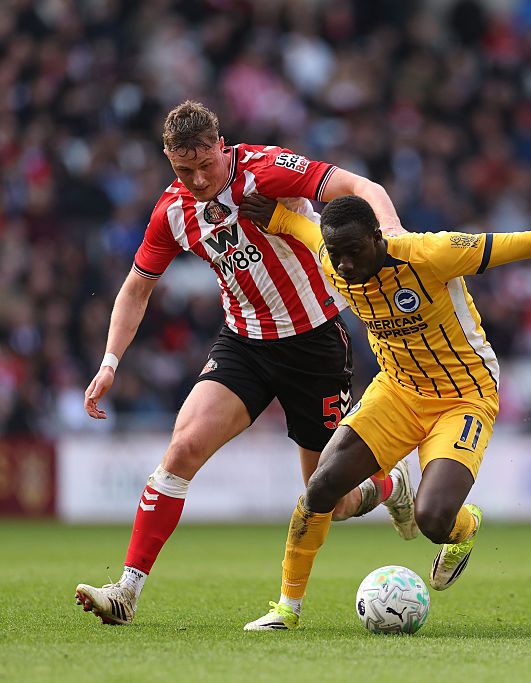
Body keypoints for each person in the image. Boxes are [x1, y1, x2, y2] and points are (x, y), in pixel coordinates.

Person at [238, 193, 531, 630]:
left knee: (433, 519)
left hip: (463, 394)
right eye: (337, 255)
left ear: (378, 237)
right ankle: (286, 610)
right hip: (397, 390)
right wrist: (276, 215)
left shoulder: (433, 254)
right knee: (322, 487)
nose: (345, 264)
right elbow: (304, 230)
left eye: (354, 252)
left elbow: (525, 242)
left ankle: (464, 529)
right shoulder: (332, 254)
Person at [74, 101, 419, 626]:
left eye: (204, 165)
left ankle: (390, 486)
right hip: (245, 345)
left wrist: (391, 231)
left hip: (315, 345)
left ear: (220, 145)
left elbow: (361, 187)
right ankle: (126, 592)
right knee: (183, 448)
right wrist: (109, 362)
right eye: (182, 170)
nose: (196, 179)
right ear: (169, 160)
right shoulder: (172, 210)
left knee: (332, 499)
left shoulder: (268, 169)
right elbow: (136, 289)